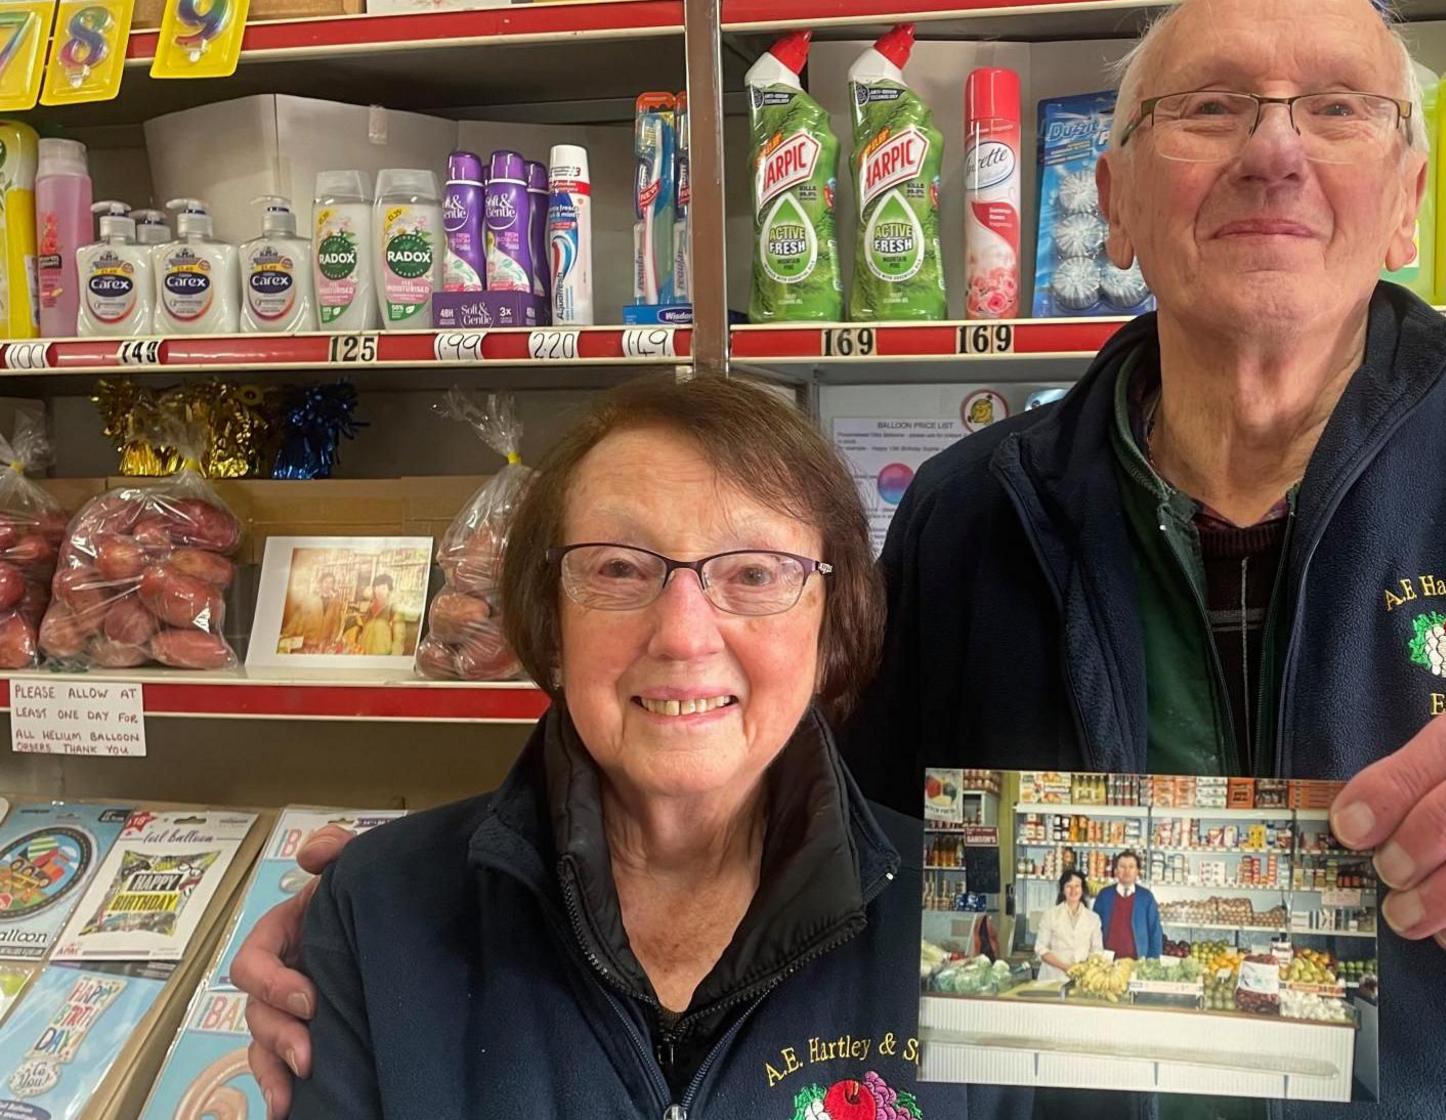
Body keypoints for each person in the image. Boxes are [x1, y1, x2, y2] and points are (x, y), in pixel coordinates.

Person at [238, 0, 1446, 1115]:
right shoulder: (975, 510)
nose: (1271, 146)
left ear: (1406, 197)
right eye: (1210, 108)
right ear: (1107, 201)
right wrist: (448, 919)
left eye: (1334, 106)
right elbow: (803, 862)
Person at [235, 377, 1018, 1120]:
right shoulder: (378, 913)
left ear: (832, 624)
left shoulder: (977, 917)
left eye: (753, 572)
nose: (683, 634)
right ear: (550, 623)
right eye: (618, 568)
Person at [1091, 851, 1163, 961]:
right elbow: (1094, 929)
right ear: (1115, 871)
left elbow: (1155, 932)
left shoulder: (1146, 897)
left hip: (1137, 962)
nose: (1127, 871)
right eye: (1122, 867)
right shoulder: (1104, 895)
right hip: (1108, 962)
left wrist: (1153, 960)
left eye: (1131, 867)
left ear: (1137, 871)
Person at [1034, 868, 1105, 977]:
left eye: (1077, 886)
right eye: (1068, 886)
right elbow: (1041, 949)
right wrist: (1065, 967)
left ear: (1082, 889)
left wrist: (1084, 968)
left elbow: (1097, 951)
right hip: (1053, 977)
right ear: (1062, 889)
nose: (1073, 890)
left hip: (1082, 977)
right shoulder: (1050, 915)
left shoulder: (1093, 919)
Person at [350, 573, 399, 656]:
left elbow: (398, 636)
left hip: (382, 653)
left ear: (389, 590)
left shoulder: (392, 608)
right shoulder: (370, 607)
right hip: (365, 650)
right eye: (376, 587)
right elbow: (364, 626)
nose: (379, 591)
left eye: (383, 588)